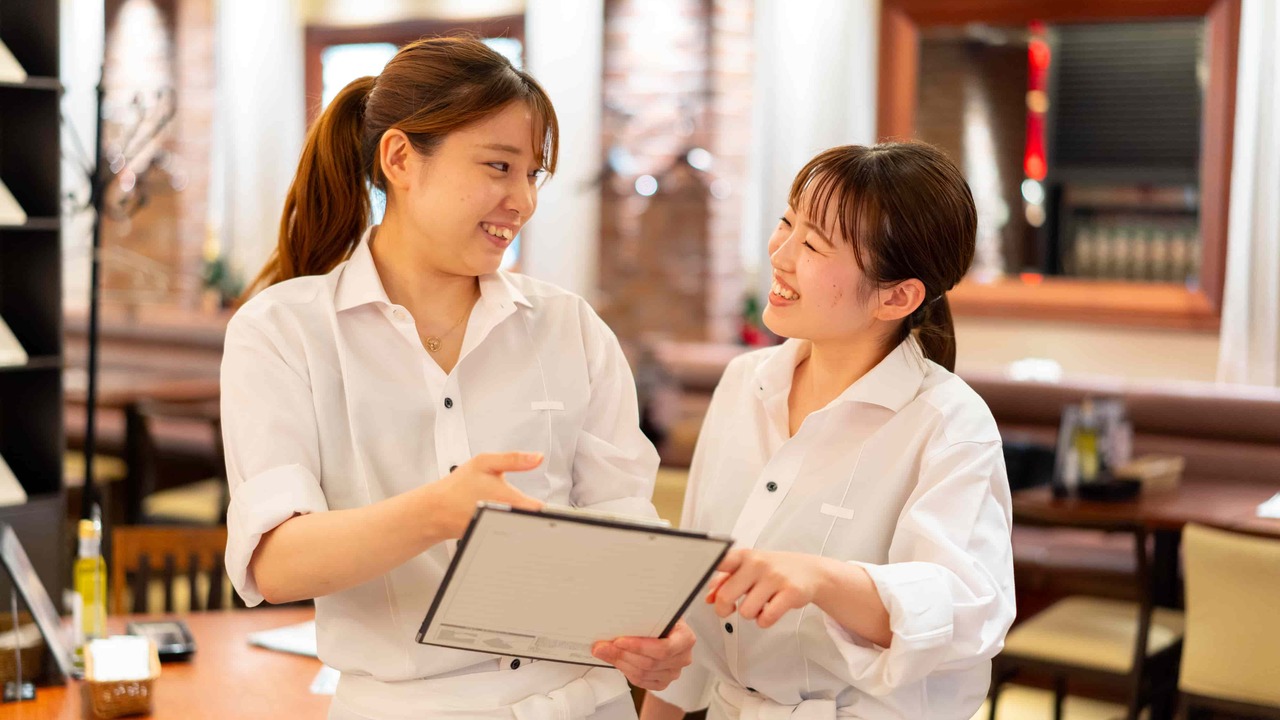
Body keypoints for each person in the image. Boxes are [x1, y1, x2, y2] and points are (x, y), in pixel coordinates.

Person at [220, 36, 693, 720]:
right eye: (499, 166)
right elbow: (274, 562)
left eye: (534, 174)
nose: (522, 200)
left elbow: (623, 527)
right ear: (400, 158)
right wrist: (437, 511)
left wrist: (655, 632)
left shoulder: (571, 327)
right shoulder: (283, 330)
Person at [640, 142, 1016, 719]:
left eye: (813, 244)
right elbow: (692, 603)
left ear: (897, 296)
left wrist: (822, 579)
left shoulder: (947, 424)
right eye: (787, 223)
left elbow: (965, 614)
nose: (781, 255)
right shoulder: (744, 383)